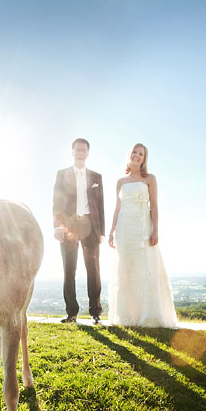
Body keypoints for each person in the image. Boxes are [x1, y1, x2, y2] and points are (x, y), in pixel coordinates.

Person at [107, 143, 178, 327]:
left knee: (145, 267)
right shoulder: (120, 182)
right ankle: (126, 315)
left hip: (143, 227)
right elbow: (117, 208)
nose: (137, 156)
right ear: (129, 154)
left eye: (141, 154)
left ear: (144, 159)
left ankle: (148, 314)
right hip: (124, 228)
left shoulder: (150, 179)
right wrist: (111, 231)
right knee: (126, 269)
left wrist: (155, 229)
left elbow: (154, 205)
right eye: (134, 152)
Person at [53, 138, 105, 324]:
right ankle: (71, 313)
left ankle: (95, 312)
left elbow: (100, 205)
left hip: (90, 226)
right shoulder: (62, 174)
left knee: (93, 269)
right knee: (69, 268)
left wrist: (101, 232)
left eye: (83, 150)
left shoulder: (96, 177)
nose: (80, 152)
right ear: (72, 152)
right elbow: (57, 202)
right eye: (77, 150)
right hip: (69, 225)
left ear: (88, 153)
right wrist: (58, 226)